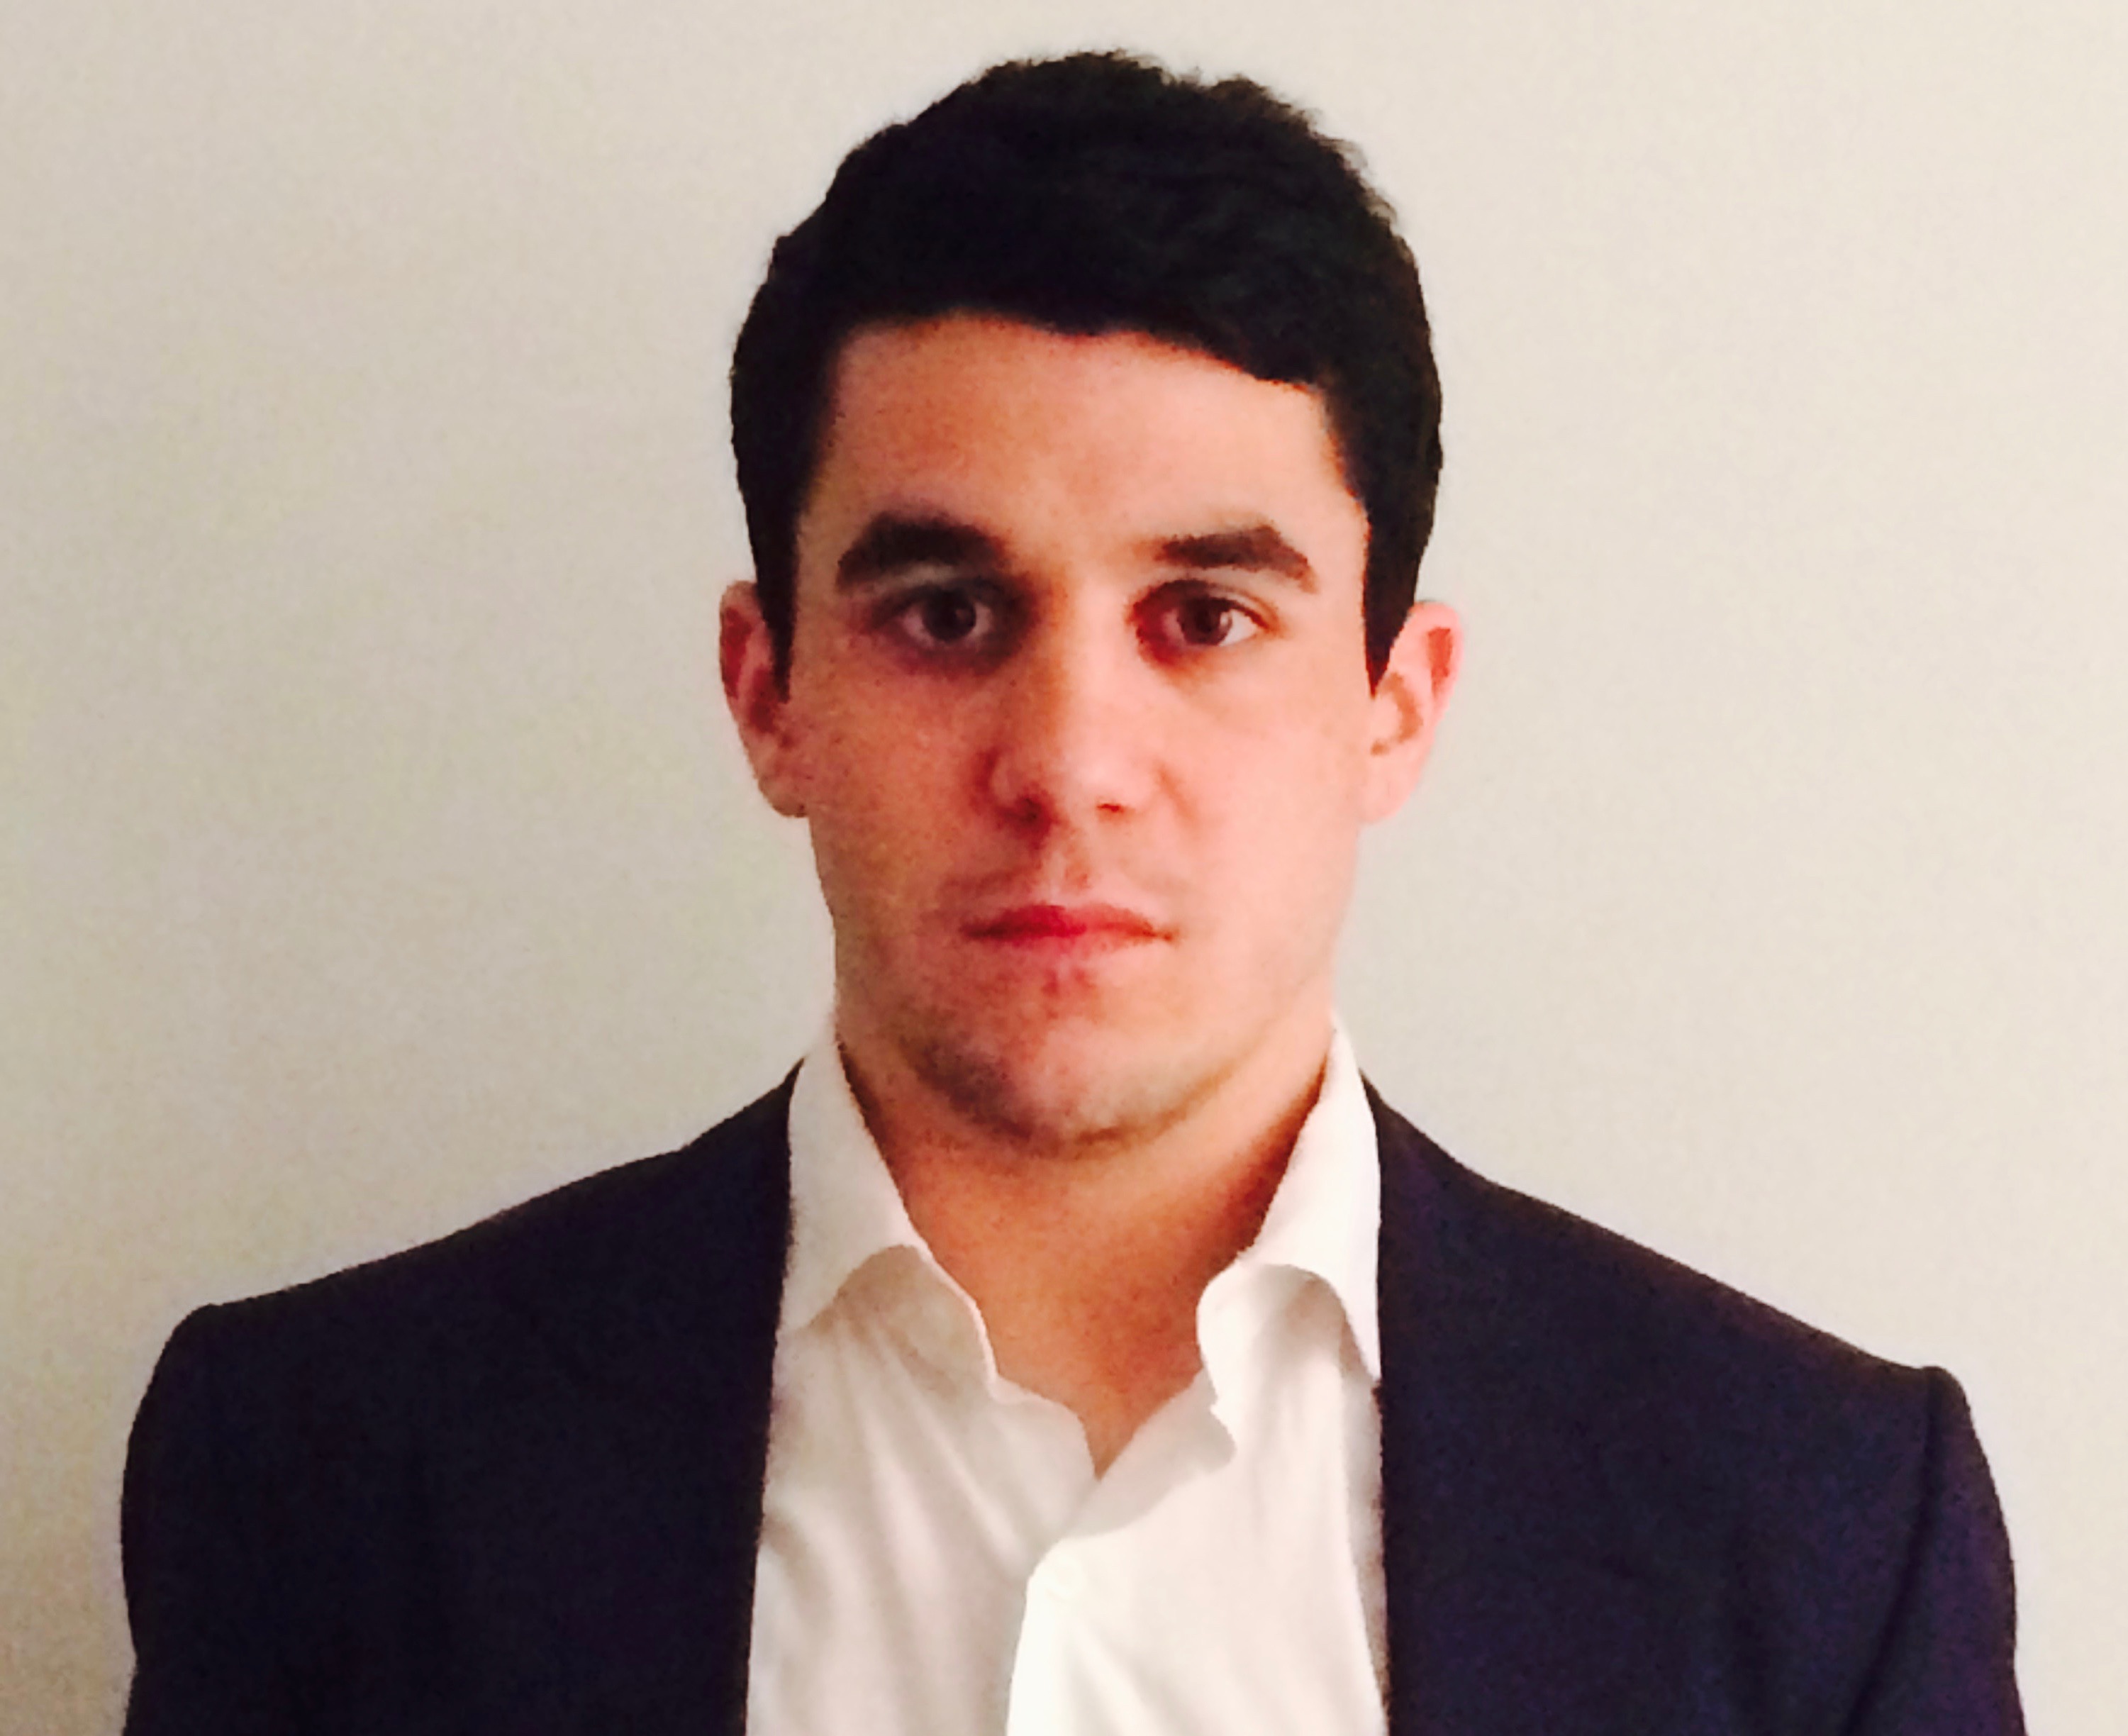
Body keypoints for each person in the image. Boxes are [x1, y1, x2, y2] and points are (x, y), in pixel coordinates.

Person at [121, 51, 2023, 1735]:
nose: (1069, 762)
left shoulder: (1822, 1528)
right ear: (770, 696)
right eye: (949, 614)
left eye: (1204, 617)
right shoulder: (320, 1473)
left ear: (1393, 706)